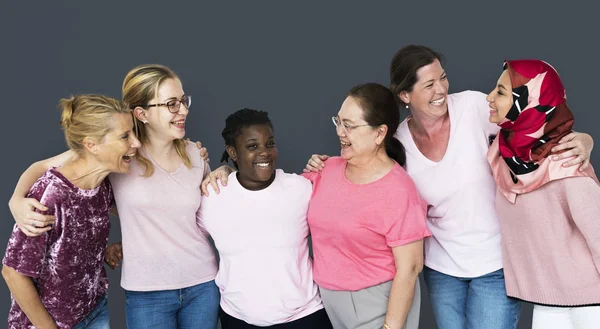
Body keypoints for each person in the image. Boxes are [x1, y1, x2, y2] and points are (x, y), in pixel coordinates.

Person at [304, 45, 594, 329]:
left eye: (442, 78)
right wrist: (322, 166)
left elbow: (529, 119)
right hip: (441, 269)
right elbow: (371, 176)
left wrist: (583, 139)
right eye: (429, 84)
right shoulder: (398, 142)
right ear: (405, 95)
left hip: (496, 263)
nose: (441, 89)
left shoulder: (472, 107)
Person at [7, 64, 219, 329]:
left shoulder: (190, 155)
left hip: (197, 283)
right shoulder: (115, 157)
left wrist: (224, 169)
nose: (184, 110)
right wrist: (15, 199)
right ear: (142, 113)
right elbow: (46, 168)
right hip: (143, 292)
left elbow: (196, 211)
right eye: (171, 104)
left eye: (183, 101)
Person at [203, 83, 430, 329]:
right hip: (329, 305)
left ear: (379, 133)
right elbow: (268, 196)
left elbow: (411, 267)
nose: (340, 132)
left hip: (378, 302)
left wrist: (391, 327)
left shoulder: (399, 189)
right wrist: (227, 171)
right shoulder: (326, 170)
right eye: (339, 122)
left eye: (350, 125)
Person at [2, 94, 141, 329]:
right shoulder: (50, 195)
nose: (136, 143)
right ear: (91, 145)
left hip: (94, 310)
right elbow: (12, 273)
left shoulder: (102, 183)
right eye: (125, 136)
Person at [486, 59, 600, 329]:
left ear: (529, 102)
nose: (489, 97)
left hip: (590, 303)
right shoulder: (502, 155)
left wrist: (586, 141)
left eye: (501, 92)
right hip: (547, 302)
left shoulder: (566, 159)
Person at [198, 108, 332, 329]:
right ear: (232, 152)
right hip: (238, 319)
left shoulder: (300, 189)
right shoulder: (213, 197)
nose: (265, 152)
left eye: (269, 144)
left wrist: (323, 167)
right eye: (252, 146)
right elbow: (182, 236)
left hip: (304, 317)